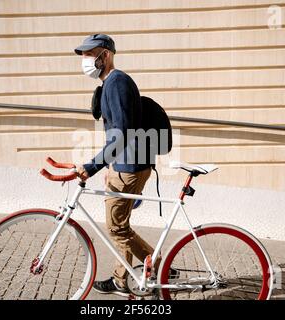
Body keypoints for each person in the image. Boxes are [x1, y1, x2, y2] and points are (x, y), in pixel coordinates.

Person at [74, 34, 159, 296]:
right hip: (123, 165)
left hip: (130, 166)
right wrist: (110, 167)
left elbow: (122, 132)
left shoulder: (118, 82)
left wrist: (93, 166)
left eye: (91, 54)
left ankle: (157, 267)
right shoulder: (110, 83)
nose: (86, 60)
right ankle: (121, 279)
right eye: (84, 55)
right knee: (121, 225)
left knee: (115, 227)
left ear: (106, 55)